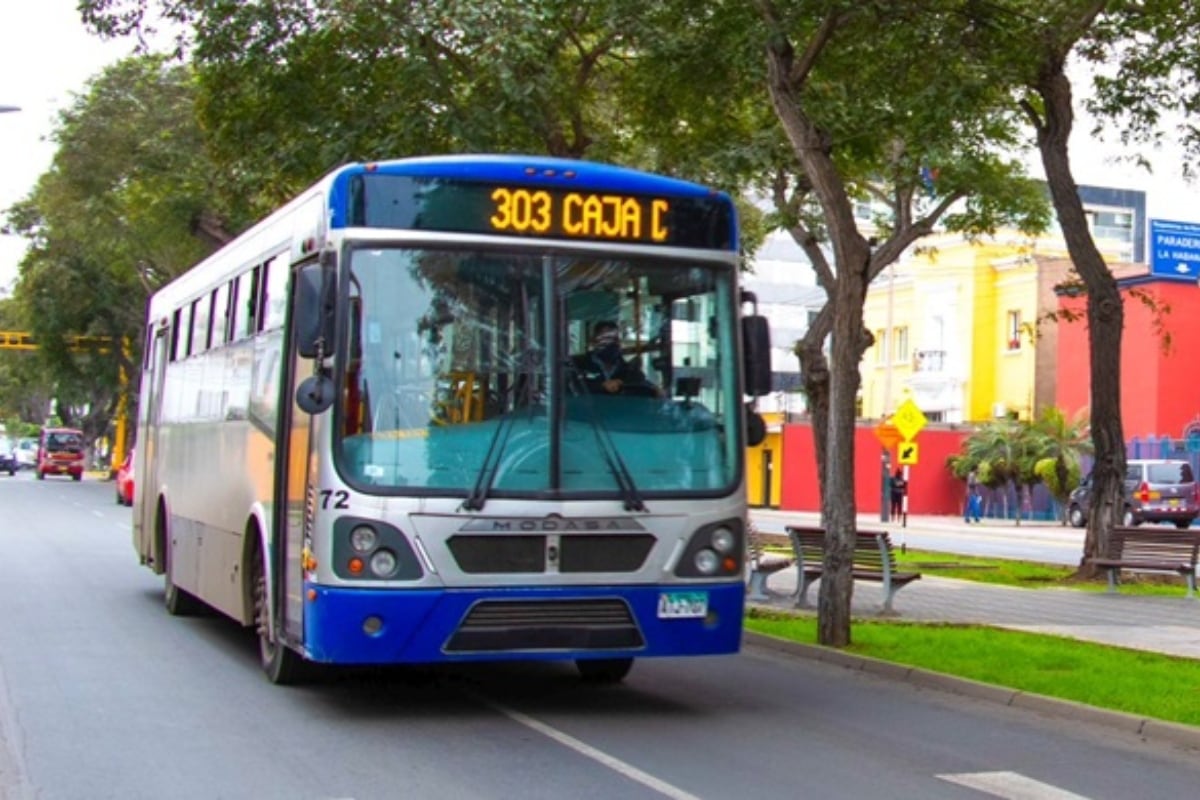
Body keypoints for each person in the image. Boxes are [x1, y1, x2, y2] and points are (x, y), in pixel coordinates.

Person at [571, 320, 656, 396]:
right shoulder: (578, 364)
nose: (612, 344)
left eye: (615, 339)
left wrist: (655, 390)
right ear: (594, 341)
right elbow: (568, 386)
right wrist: (600, 385)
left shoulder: (628, 370)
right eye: (606, 339)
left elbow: (641, 383)